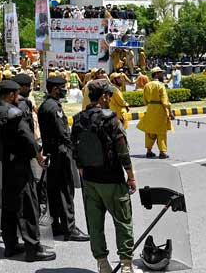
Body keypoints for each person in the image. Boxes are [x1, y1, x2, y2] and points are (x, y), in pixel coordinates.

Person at [73, 80, 140, 273]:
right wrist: (130, 176)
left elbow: (74, 148)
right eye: (109, 95)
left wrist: (81, 168)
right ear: (103, 96)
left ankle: (102, 263)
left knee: (94, 224)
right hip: (112, 180)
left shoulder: (78, 118)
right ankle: (126, 265)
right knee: (123, 221)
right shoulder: (111, 119)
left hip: (90, 181)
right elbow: (122, 151)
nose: (110, 98)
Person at [0, 79, 54, 261]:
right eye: (16, 95)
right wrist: (39, 157)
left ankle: (11, 246)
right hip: (19, 166)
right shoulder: (14, 113)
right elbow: (28, 139)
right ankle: (33, 248)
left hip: (0, 167)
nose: (18, 98)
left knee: (7, 207)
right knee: (27, 206)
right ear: (10, 95)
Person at [37, 76, 89, 242]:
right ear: (54, 89)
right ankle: (70, 228)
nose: (65, 89)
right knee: (65, 190)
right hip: (60, 152)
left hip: (50, 152)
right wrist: (75, 149)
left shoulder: (45, 105)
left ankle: (56, 225)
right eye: (62, 87)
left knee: (53, 190)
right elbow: (63, 132)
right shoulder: (54, 108)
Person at [136, 67, 174, 159]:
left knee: (149, 131)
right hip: (160, 111)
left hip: (150, 110)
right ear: (156, 74)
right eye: (161, 73)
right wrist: (170, 112)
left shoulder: (147, 86)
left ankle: (149, 151)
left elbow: (145, 102)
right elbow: (165, 102)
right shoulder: (161, 85)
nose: (162, 75)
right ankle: (162, 152)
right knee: (161, 132)